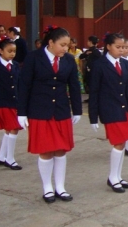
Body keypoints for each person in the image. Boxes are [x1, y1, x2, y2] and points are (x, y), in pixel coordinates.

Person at [17, 26, 82, 203]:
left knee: (61, 150)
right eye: (62, 44)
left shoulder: (68, 60)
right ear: (51, 43)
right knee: (45, 151)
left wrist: (77, 110)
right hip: (40, 110)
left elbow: (74, 86)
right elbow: (24, 85)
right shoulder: (33, 58)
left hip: (60, 109)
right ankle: (47, 188)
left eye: (67, 45)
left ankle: (60, 187)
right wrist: (21, 112)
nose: (65, 49)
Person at [88, 33, 128, 194]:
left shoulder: (126, 64)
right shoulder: (99, 65)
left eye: (123, 47)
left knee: (122, 143)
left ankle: (118, 176)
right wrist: (93, 117)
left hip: (124, 110)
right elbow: (94, 91)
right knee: (118, 143)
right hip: (108, 109)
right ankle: (113, 177)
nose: (121, 50)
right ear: (108, 47)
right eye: (118, 47)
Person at [0, 39, 23, 170]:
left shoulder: (15, 65)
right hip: (3, 103)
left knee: (10, 129)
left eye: (14, 51)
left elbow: (19, 84)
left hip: (15, 102)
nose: (12, 54)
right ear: (0, 51)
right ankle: (10, 159)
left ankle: (1, 156)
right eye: (9, 51)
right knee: (13, 128)